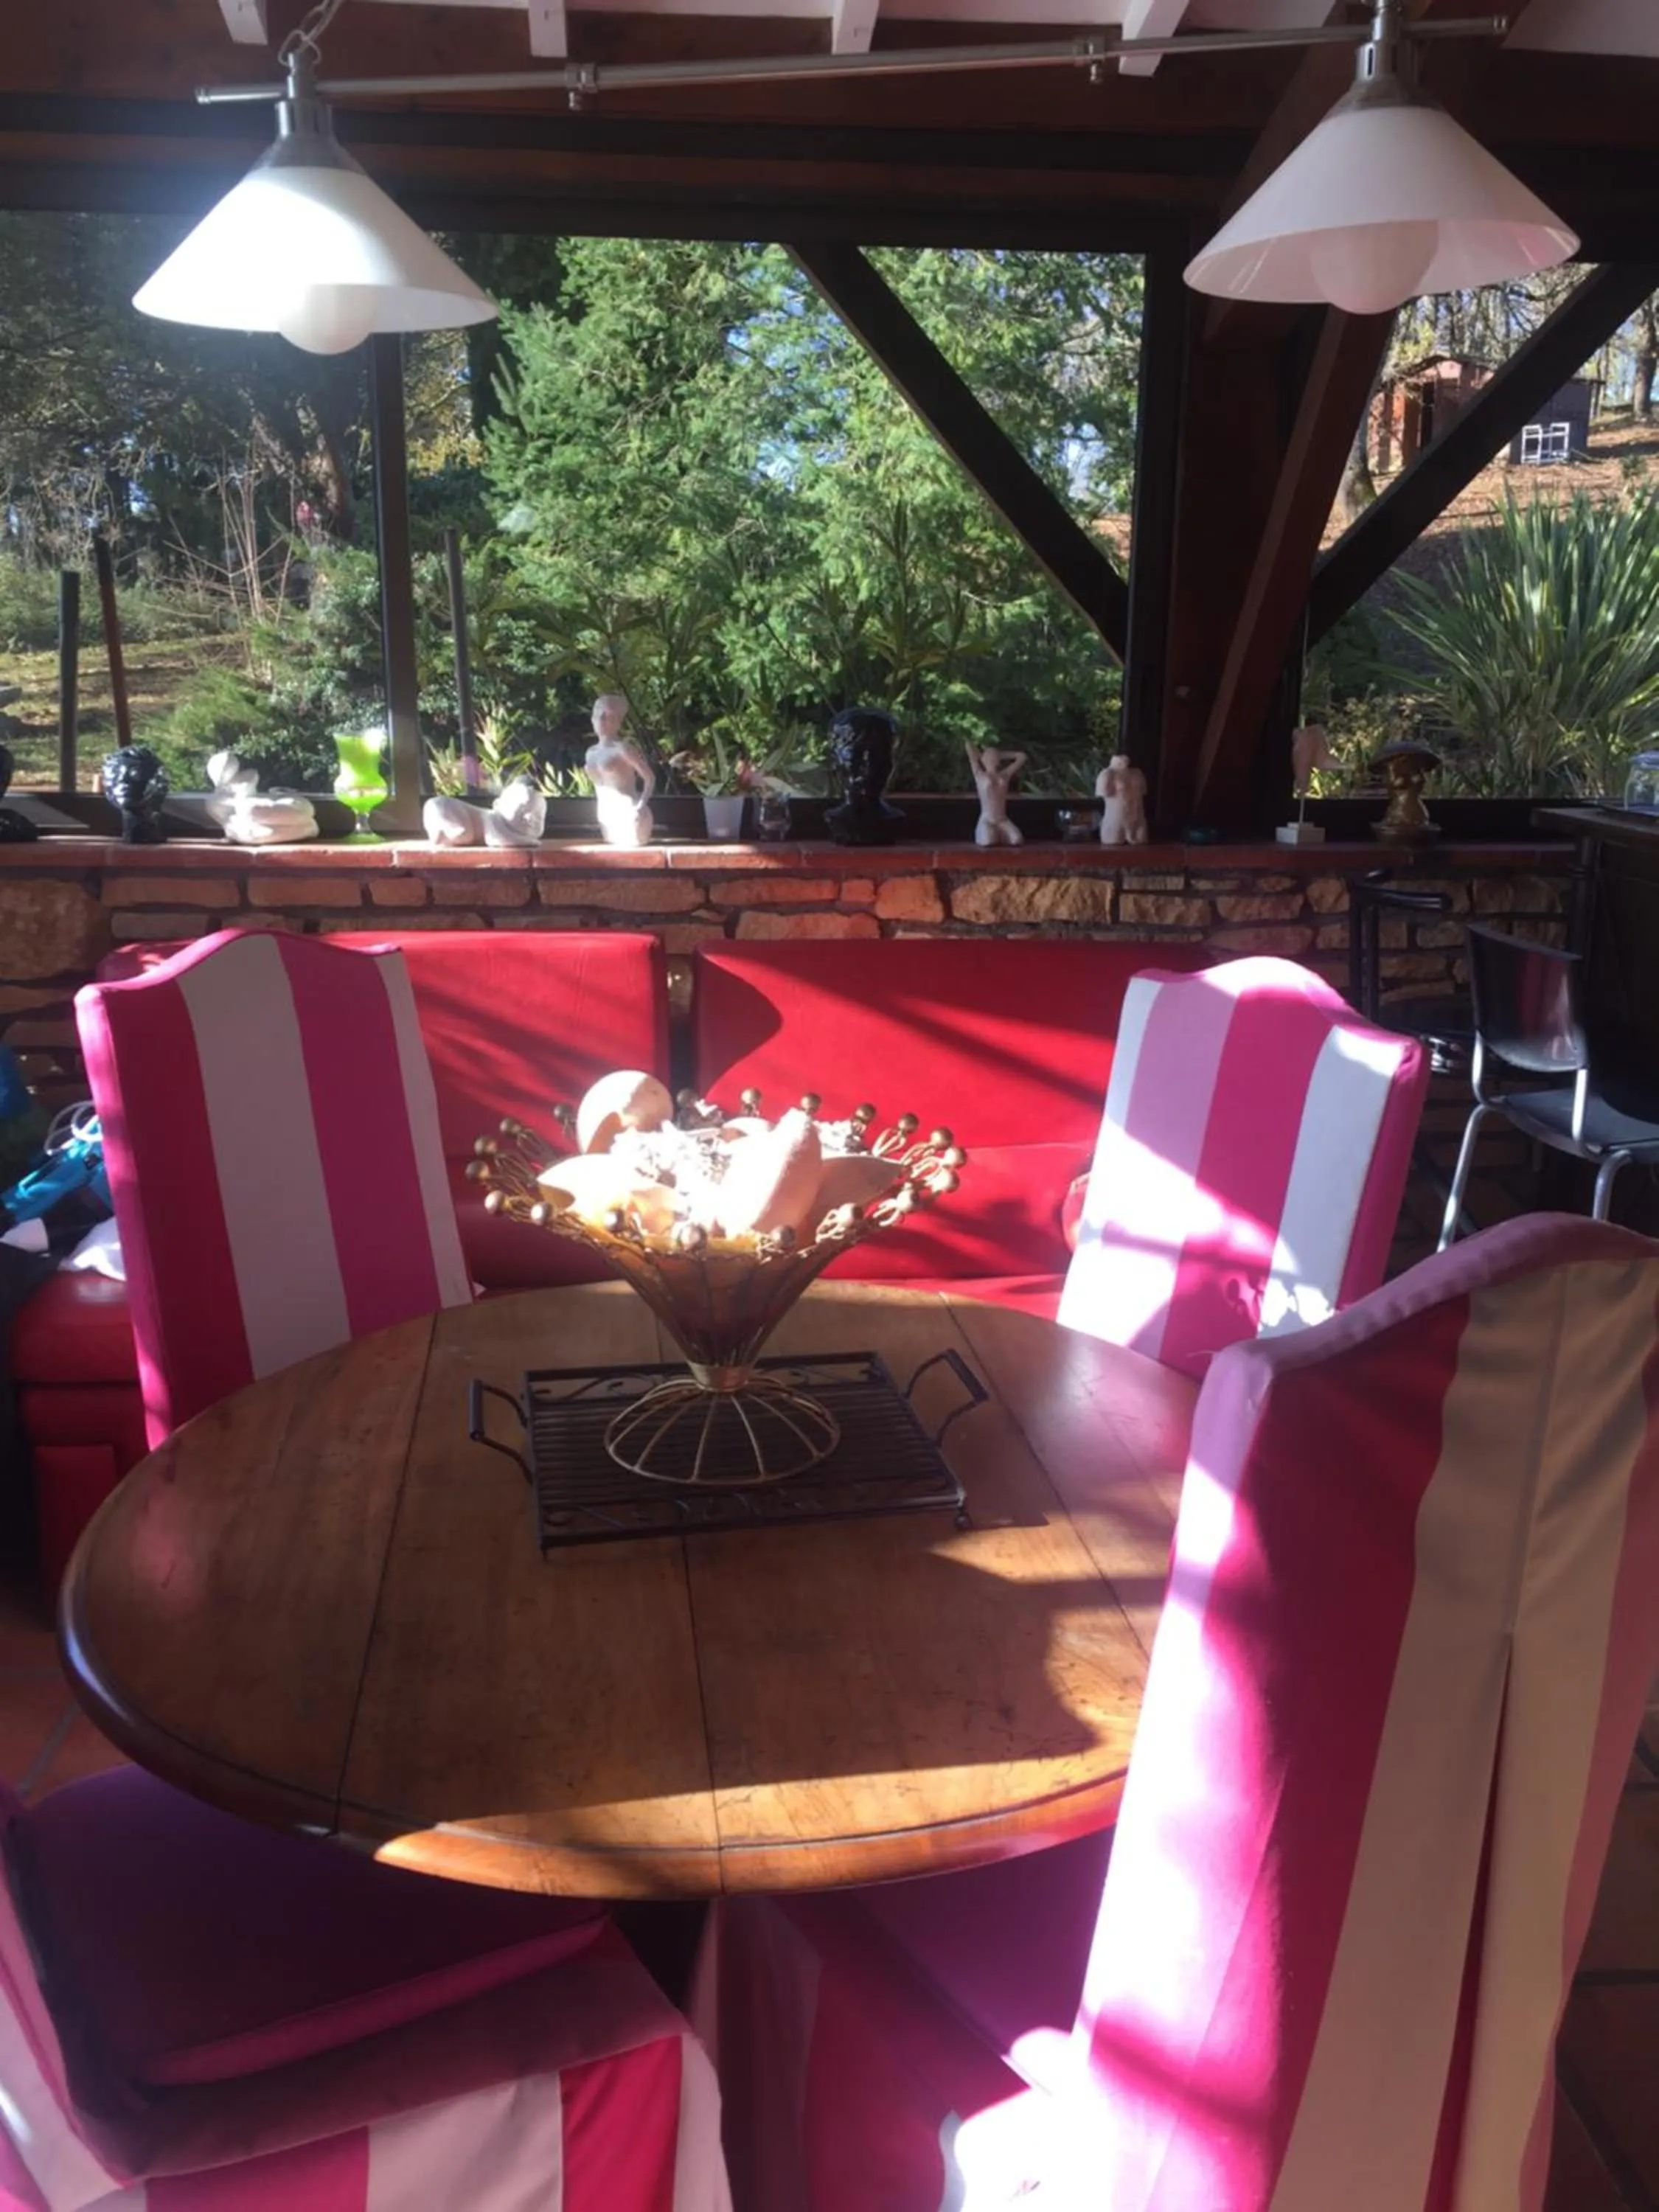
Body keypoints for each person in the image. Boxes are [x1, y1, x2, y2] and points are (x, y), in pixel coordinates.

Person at [585, 694, 655, 847]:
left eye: (608, 716)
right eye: (598, 715)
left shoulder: (623, 749)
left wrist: (641, 805)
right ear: (592, 719)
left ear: (618, 722)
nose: (602, 720)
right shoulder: (590, 752)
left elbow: (649, 778)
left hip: (629, 813)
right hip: (605, 815)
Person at [966, 742, 1026, 848]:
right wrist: (981, 755)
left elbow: (1022, 757)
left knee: (1017, 839)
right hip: (987, 819)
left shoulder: (1005, 775)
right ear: (983, 760)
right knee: (989, 840)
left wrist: (1000, 754)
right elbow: (968, 745)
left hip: (1002, 819)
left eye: (994, 757)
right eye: (989, 757)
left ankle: (1000, 832)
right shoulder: (979, 774)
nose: (992, 759)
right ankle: (987, 831)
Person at [1096, 754, 1148, 846]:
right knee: (1113, 842)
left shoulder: (1137, 773)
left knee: (1142, 843)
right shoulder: (1107, 774)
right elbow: (1103, 794)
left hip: (1138, 819)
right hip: (1116, 821)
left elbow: (1143, 792)